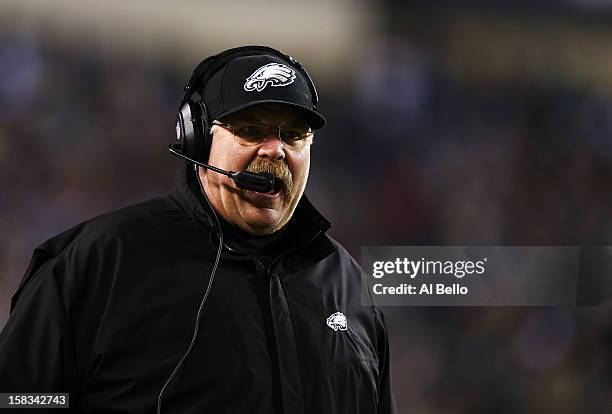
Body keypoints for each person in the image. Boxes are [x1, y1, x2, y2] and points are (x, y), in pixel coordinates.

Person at [0, 45, 397, 414]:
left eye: (294, 136)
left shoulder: (347, 284)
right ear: (196, 139)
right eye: (251, 130)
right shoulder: (99, 262)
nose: (275, 150)